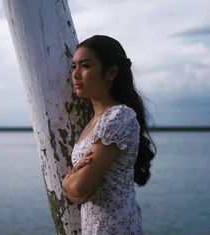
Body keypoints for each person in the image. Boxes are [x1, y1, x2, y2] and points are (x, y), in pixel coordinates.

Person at [62, 35, 156, 235]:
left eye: (85, 66)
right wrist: (75, 187)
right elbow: (78, 193)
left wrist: (66, 182)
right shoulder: (94, 122)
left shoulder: (119, 117)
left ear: (111, 72)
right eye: (74, 66)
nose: (76, 74)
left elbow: (79, 189)